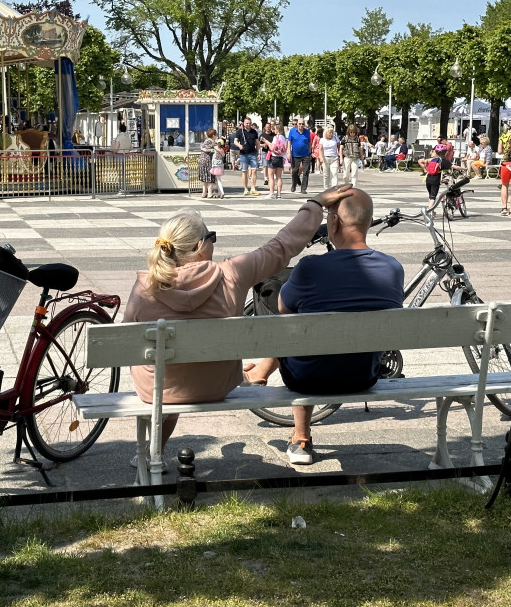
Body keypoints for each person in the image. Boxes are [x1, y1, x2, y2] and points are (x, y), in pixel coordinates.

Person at [123, 184, 356, 462]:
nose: (213, 243)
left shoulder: (144, 287)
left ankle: (152, 454)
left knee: (167, 368)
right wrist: (314, 204)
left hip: (158, 390)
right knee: (182, 371)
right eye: (211, 237)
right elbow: (282, 246)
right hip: (217, 386)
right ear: (200, 248)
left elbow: (129, 341)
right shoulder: (232, 273)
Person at [243, 188, 405, 465]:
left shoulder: (310, 268)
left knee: (290, 317)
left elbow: (284, 309)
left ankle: (300, 435)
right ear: (368, 222)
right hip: (364, 375)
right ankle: (264, 374)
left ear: (333, 223)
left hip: (307, 378)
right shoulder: (393, 268)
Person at [233, 117, 261, 196]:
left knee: (254, 170)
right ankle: (245, 188)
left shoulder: (254, 132)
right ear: (244, 123)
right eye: (247, 123)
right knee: (244, 171)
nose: (248, 125)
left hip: (253, 153)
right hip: (244, 154)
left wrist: (258, 152)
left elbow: (257, 142)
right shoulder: (240, 131)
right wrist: (239, 145)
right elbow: (235, 141)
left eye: (249, 123)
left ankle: (253, 188)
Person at [260, 122, 286, 199]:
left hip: (273, 157)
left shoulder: (276, 137)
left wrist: (266, 142)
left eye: (274, 129)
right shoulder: (283, 138)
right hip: (281, 158)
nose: (273, 130)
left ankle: (271, 193)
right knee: (279, 177)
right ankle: (279, 194)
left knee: (270, 176)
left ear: (277, 130)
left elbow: (272, 148)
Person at [287, 119, 313, 193]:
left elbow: (309, 143)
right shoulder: (292, 131)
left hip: (306, 154)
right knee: (294, 171)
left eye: (302, 124)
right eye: (300, 124)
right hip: (295, 154)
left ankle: (303, 188)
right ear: (297, 124)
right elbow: (289, 142)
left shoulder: (307, 132)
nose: (301, 125)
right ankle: (294, 184)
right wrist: (288, 153)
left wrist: (310, 152)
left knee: (306, 171)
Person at [198, 127, 216, 198]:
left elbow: (202, 148)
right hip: (208, 160)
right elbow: (216, 149)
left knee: (205, 178)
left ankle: (204, 193)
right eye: (216, 135)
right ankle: (210, 193)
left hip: (202, 160)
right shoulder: (212, 141)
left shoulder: (205, 141)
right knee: (210, 177)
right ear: (213, 135)